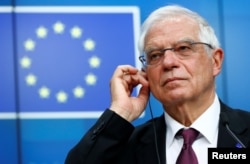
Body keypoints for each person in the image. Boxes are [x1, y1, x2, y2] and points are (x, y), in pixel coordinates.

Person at [65, 4, 250, 164]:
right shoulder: (124, 147)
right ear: (145, 74)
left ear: (215, 62)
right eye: (155, 55)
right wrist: (120, 113)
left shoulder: (243, 134)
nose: (168, 62)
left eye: (183, 48)